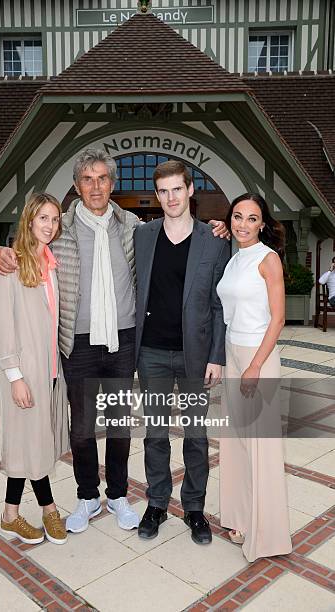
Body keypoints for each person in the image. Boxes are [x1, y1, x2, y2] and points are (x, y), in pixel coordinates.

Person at [0, 149, 229, 535]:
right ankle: (88, 496)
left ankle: (118, 495)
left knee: (120, 427)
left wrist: (219, 227)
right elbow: (28, 241)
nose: (96, 186)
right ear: (76, 186)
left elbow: (187, 244)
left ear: (113, 184)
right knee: (82, 428)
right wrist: (1, 252)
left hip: (123, 340)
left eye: (103, 178)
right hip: (79, 343)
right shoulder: (61, 229)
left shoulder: (133, 227)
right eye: (87, 179)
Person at [134, 160, 230, 544]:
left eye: (178, 189)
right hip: (152, 353)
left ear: (191, 190)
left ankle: (194, 509)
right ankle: (156, 503)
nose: (171, 197)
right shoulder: (143, 236)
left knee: (196, 436)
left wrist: (217, 356)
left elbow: (221, 305)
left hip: (196, 355)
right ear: (157, 196)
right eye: (164, 191)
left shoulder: (214, 240)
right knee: (155, 435)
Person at [216, 193, 292, 562]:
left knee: (261, 447)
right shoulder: (235, 259)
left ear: (262, 223)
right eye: (237, 217)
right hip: (233, 353)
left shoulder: (268, 259)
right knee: (237, 443)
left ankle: (267, 536)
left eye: (251, 218)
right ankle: (243, 518)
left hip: (256, 358)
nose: (243, 224)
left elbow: (277, 318)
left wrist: (255, 366)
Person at [0, 193, 69, 545]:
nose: (49, 226)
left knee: (31, 444)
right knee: (32, 444)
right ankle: (49, 509)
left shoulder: (51, 266)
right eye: (43, 218)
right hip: (24, 374)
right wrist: (15, 376)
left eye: (54, 219)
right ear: (29, 221)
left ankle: (10, 514)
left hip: (50, 372)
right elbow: (2, 325)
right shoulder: (12, 265)